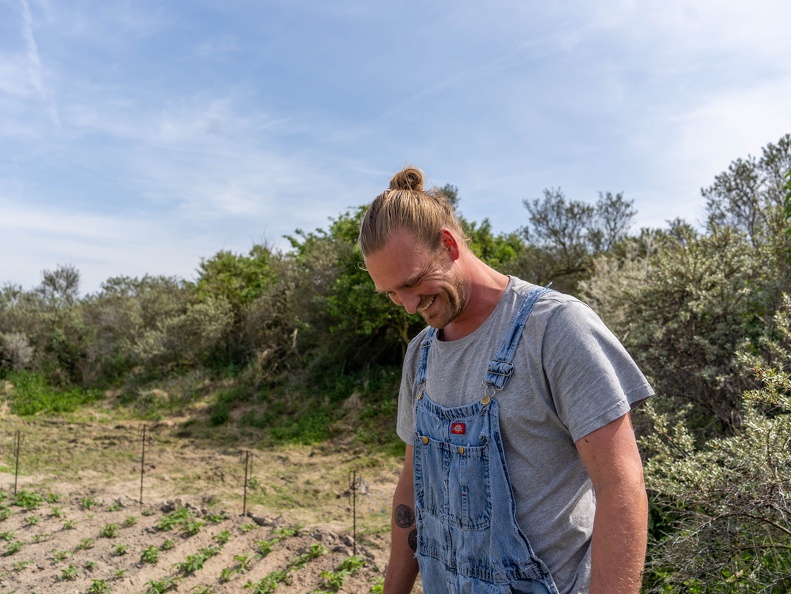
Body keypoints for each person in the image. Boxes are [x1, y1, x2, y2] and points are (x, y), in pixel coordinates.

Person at [358, 166, 653, 594]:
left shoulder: (554, 329)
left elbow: (620, 485)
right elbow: (411, 487)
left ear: (448, 244)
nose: (407, 305)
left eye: (413, 282)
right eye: (391, 294)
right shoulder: (419, 355)